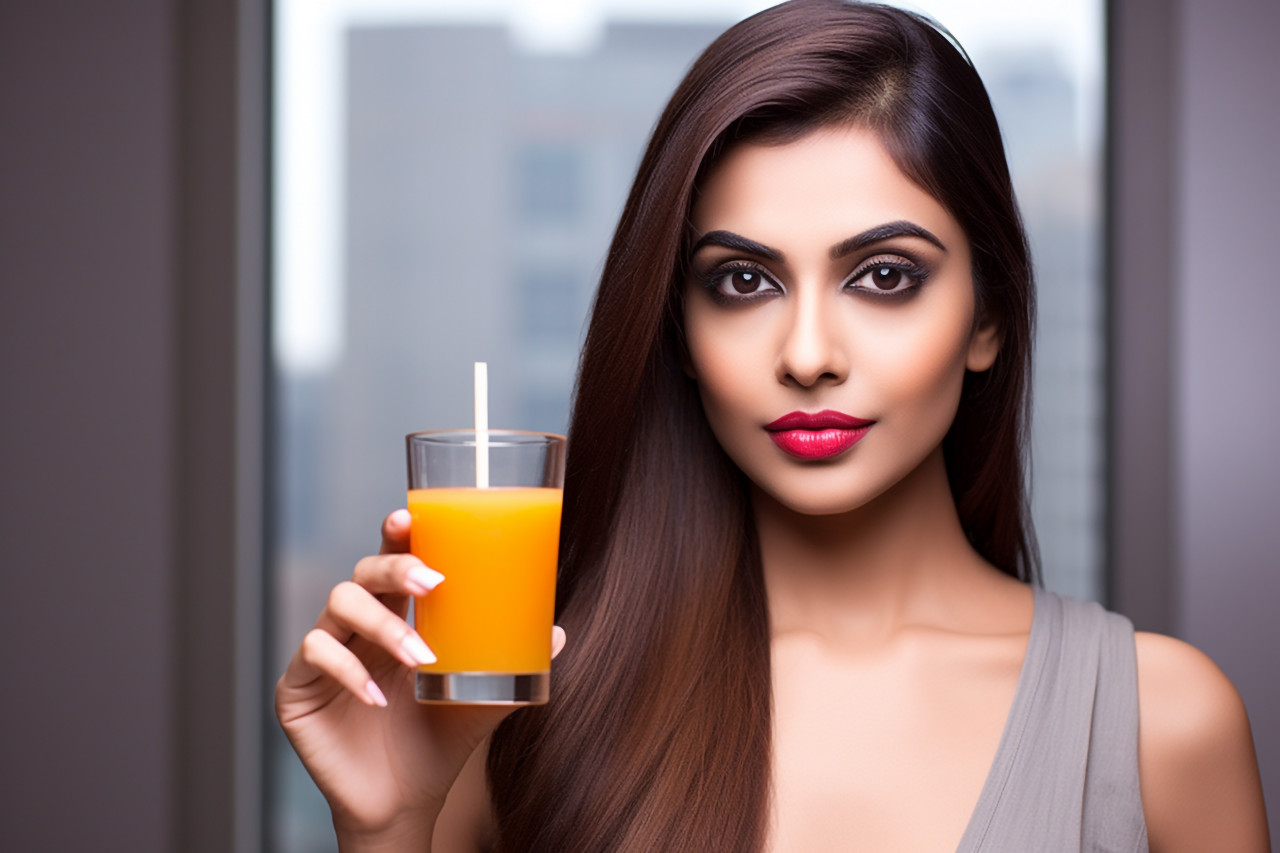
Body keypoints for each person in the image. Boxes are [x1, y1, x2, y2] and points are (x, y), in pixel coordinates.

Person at [275, 1, 1270, 850]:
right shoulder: (530, 717)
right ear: (679, 327)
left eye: (883, 276)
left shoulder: (1160, 726)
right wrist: (393, 824)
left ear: (987, 315)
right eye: (741, 281)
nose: (805, 352)